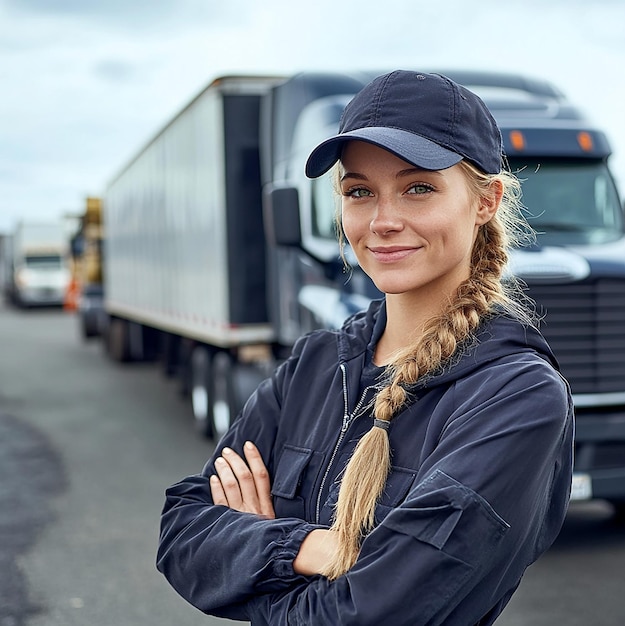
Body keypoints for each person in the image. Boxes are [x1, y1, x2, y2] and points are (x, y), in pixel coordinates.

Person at [157, 70, 574, 625]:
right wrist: (309, 549)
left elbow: (369, 616)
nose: (382, 221)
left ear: (486, 201)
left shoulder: (516, 398)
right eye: (359, 192)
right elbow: (181, 531)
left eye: (418, 187)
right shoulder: (315, 364)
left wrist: (250, 558)